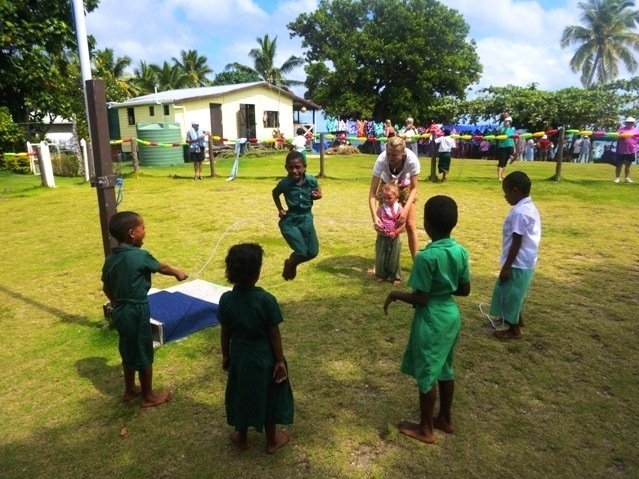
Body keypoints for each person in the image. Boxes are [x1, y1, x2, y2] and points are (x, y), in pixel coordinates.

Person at [383, 195, 471, 444]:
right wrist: (444, 286)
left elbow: (421, 298)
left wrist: (395, 294)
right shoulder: (460, 251)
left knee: (428, 371)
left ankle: (426, 428)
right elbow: (464, 290)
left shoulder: (426, 258)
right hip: (450, 315)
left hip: (431, 318)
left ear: (427, 224)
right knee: (445, 367)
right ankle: (444, 417)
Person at [102, 211, 187, 408]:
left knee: (128, 347)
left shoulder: (110, 259)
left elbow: (106, 287)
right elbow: (161, 267)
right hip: (137, 309)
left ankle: (130, 389)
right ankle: (148, 396)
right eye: (143, 228)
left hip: (120, 310)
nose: (145, 231)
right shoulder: (140, 256)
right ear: (132, 233)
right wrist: (177, 273)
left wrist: (117, 303)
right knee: (144, 350)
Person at [219, 243, 294, 454]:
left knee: (240, 393)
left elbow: (225, 332)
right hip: (265, 357)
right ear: (257, 272)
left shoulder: (226, 300)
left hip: (240, 356)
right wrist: (279, 360)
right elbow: (274, 334)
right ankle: (272, 440)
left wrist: (226, 355)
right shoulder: (266, 300)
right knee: (270, 394)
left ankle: (241, 436)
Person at [490, 171, 541, 340]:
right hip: (526, 261)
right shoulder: (528, 207)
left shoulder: (520, 213)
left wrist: (507, 267)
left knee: (510, 292)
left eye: (506, 192)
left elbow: (517, 241)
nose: (505, 196)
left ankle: (513, 329)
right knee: (516, 291)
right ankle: (516, 318)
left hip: (517, 262)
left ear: (516, 191)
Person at [272, 150, 322, 280]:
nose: (294, 171)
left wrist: (318, 195)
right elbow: (275, 193)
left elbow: (318, 189)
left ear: (304, 167)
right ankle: (291, 264)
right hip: (290, 221)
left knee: (313, 252)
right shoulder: (284, 184)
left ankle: (292, 262)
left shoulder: (311, 180)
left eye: (298, 167)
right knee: (301, 250)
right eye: (291, 167)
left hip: (306, 218)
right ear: (286, 168)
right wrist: (280, 209)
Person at [369, 136, 420, 258]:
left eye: (395, 155)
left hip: (406, 184)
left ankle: (417, 262)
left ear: (402, 153)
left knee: (410, 224)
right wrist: (375, 217)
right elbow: (372, 193)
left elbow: (414, 188)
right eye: (389, 154)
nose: (390, 158)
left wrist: (404, 212)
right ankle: (381, 263)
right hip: (387, 183)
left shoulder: (412, 160)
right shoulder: (381, 160)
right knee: (382, 224)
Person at [374, 183, 405, 285]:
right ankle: (381, 274)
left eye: (389, 198)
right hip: (382, 237)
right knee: (381, 256)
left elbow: (403, 225)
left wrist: (396, 232)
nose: (386, 200)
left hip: (394, 237)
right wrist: (378, 228)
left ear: (396, 197)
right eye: (384, 198)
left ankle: (395, 276)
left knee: (394, 256)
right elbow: (377, 222)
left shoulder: (399, 209)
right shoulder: (381, 209)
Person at [615, 116, 637, 183]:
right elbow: (616, 138)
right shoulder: (621, 130)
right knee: (619, 165)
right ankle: (617, 178)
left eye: (631, 122)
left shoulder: (636, 131)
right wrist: (620, 137)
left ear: (633, 123)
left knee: (628, 166)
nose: (629, 123)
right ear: (626, 123)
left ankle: (627, 178)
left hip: (631, 150)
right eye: (628, 122)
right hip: (621, 150)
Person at [496, 116, 515, 180]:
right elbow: (500, 133)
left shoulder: (511, 130)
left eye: (508, 122)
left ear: (510, 123)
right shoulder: (501, 129)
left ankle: (502, 175)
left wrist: (514, 148)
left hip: (509, 146)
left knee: (505, 162)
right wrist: (504, 127)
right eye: (506, 121)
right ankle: (499, 177)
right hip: (502, 147)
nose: (507, 123)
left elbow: (512, 140)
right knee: (501, 161)